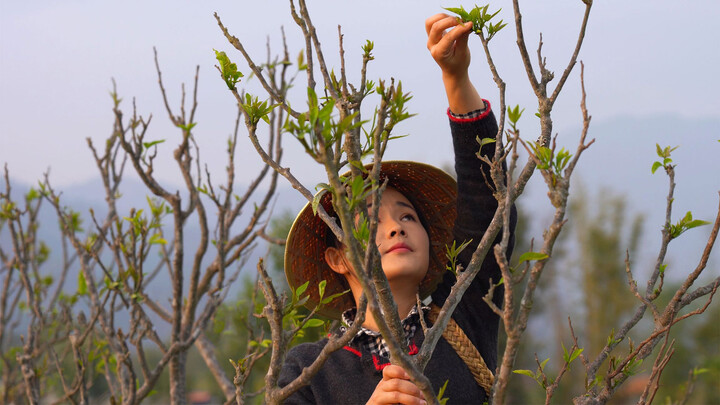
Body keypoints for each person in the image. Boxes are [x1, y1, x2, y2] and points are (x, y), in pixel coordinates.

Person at [278, 14, 516, 404]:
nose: (395, 228)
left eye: (408, 216)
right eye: (370, 223)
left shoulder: (462, 318)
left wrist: (456, 80)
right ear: (338, 258)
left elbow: (487, 204)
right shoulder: (308, 370)